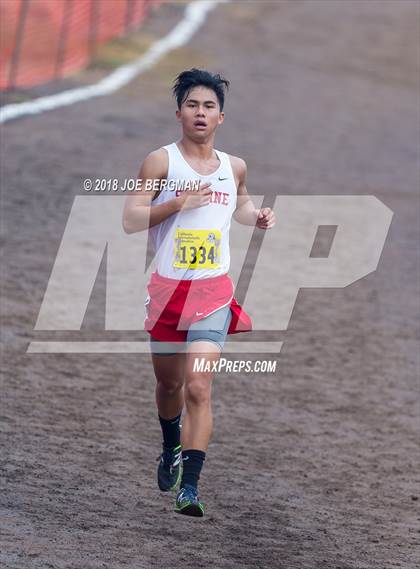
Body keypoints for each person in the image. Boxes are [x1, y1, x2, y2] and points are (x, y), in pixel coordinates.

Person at [122, 68, 275, 517]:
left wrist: (258, 217)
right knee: (168, 384)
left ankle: (189, 487)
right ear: (179, 113)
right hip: (168, 291)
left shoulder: (235, 166)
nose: (201, 113)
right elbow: (130, 220)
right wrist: (175, 203)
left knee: (198, 386)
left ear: (221, 117)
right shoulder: (160, 162)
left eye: (209, 106)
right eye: (193, 105)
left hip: (212, 293)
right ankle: (170, 445)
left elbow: (241, 203)